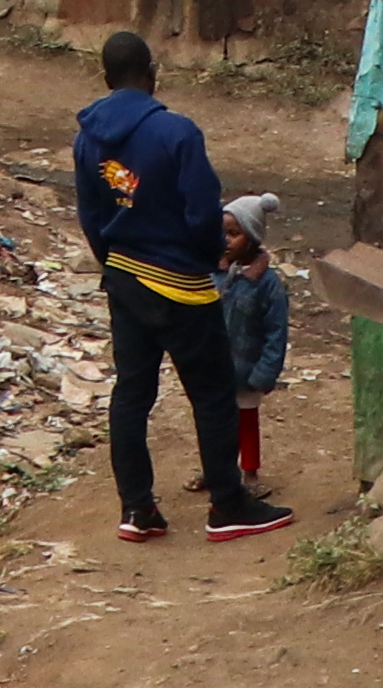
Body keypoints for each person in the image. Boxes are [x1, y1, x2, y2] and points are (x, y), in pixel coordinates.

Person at [73, 30, 296, 543]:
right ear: (152, 72)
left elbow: (91, 214)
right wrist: (210, 257)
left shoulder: (87, 139)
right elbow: (201, 213)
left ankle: (137, 509)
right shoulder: (177, 133)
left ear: (106, 78)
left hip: (125, 278)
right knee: (214, 394)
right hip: (181, 284)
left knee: (132, 393)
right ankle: (227, 504)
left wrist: (116, 266)